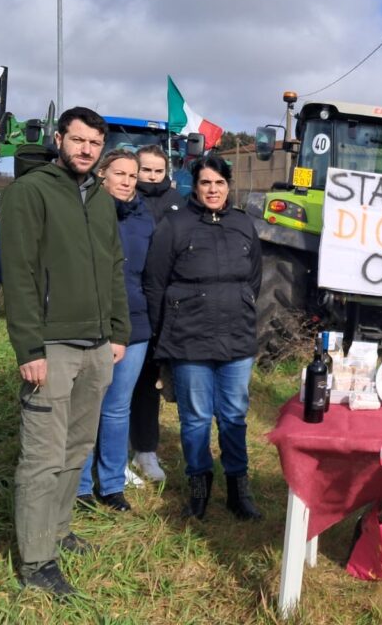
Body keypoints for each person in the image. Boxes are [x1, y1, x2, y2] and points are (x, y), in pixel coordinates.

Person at [0, 107, 130, 597]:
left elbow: (114, 266)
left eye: (95, 144)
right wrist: (29, 346)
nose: (86, 150)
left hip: (98, 347)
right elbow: (20, 275)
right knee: (43, 456)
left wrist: (118, 331)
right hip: (51, 348)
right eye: (78, 140)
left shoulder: (100, 198)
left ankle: (57, 531)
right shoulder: (29, 193)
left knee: (77, 449)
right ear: (60, 139)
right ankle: (36, 562)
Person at [143, 155, 263, 521]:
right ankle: (199, 488)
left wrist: (239, 304)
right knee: (195, 418)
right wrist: (163, 336)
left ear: (229, 186)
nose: (213, 190)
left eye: (219, 183)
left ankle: (237, 490)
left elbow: (254, 277)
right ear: (195, 186)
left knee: (233, 416)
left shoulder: (244, 224)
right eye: (205, 183)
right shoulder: (175, 225)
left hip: (236, 338)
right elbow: (155, 282)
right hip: (189, 338)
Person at [77, 150, 155, 511]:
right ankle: (77, 486)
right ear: (102, 174)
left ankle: (110, 484)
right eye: (119, 174)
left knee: (117, 408)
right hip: (88, 321)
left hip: (134, 324)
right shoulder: (82, 211)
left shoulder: (144, 219)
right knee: (84, 405)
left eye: (132, 175)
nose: (126, 181)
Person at [127, 144, 184, 483]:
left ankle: (145, 450)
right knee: (118, 387)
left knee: (150, 382)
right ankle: (114, 452)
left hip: (163, 306)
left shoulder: (177, 206)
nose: (150, 177)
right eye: (144, 170)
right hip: (131, 301)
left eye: (157, 171)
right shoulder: (123, 202)